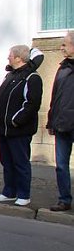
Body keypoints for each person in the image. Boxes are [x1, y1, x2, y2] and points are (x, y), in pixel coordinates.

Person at [0, 45, 44, 206]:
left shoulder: (32, 77)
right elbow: (1, 98)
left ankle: (23, 194)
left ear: (19, 58)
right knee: (7, 162)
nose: (8, 57)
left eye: (10, 55)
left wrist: (15, 120)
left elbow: (31, 104)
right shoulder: (10, 76)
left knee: (20, 163)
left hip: (18, 130)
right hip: (3, 129)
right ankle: (9, 191)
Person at [47, 31, 74, 212]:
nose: (61, 47)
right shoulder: (63, 68)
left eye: (65, 44)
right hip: (62, 124)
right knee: (61, 166)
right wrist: (51, 120)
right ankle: (64, 200)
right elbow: (55, 97)